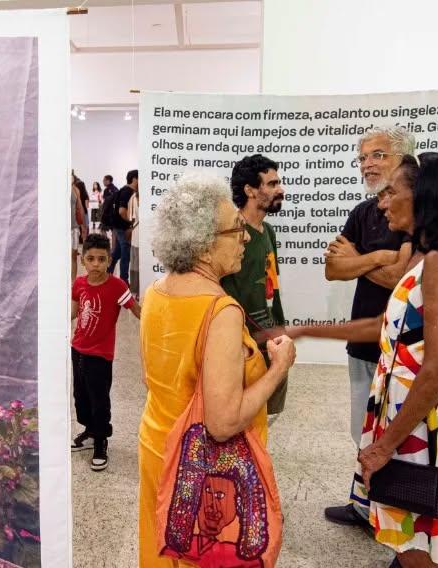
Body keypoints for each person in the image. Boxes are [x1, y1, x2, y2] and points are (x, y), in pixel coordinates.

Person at [289, 153, 438, 567]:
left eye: (392, 192)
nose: (382, 204)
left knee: (414, 536)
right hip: (413, 416)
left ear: (422, 196)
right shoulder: (435, 257)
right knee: (411, 537)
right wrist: (308, 329)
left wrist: (384, 446)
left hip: (417, 424)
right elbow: (388, 327)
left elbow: (437, 369)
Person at [138, 172, 296, 567]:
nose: (245, 237)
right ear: (205, 246)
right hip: (201, 473)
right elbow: (222, 423)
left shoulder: (155, 294)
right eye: (235, 230)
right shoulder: (220, 311)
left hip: (158, 450)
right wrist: (278, 368)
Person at [323, 126, 415, 527]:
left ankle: (393, 514)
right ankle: (365, 504)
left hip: (401, 346)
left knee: (395, 435)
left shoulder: (415, 211)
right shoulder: (362, 212)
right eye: (362, 157)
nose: (367, 164)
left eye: (376, 155)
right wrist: (377, 255)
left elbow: (404, 279)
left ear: (402, 159)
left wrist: (358, 257)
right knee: (360, 428)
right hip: (363, 341)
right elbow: (332, 268)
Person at [221, 154, 289, 416]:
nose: (280, 190)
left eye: (278, 183)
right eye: (271, 184)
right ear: (249, 190)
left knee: (265, 418)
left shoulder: (268, 231)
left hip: (272, 340)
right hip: (241, 347)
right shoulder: (230, 234)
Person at [71, 233, 140, 471]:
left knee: (99, 399)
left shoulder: (117, 286)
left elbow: (137, 310)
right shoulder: (79, 283)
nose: (96, 264)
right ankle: (90, 432)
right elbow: (73, 311)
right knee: (80, 396)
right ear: (83, 260)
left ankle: (101, 440)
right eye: (91, 259)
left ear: (110, 260)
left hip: (100, 355)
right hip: (77, 349)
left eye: (102, 259)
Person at [108, 169, 138, 284]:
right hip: (122, 227)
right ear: (135, 179)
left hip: (120, 226)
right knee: (125, 253)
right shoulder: (127, 192)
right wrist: (131, 224)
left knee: (118, 252)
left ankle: (108, 270)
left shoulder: (128, 191)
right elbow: (122, 211)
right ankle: (124, 281)